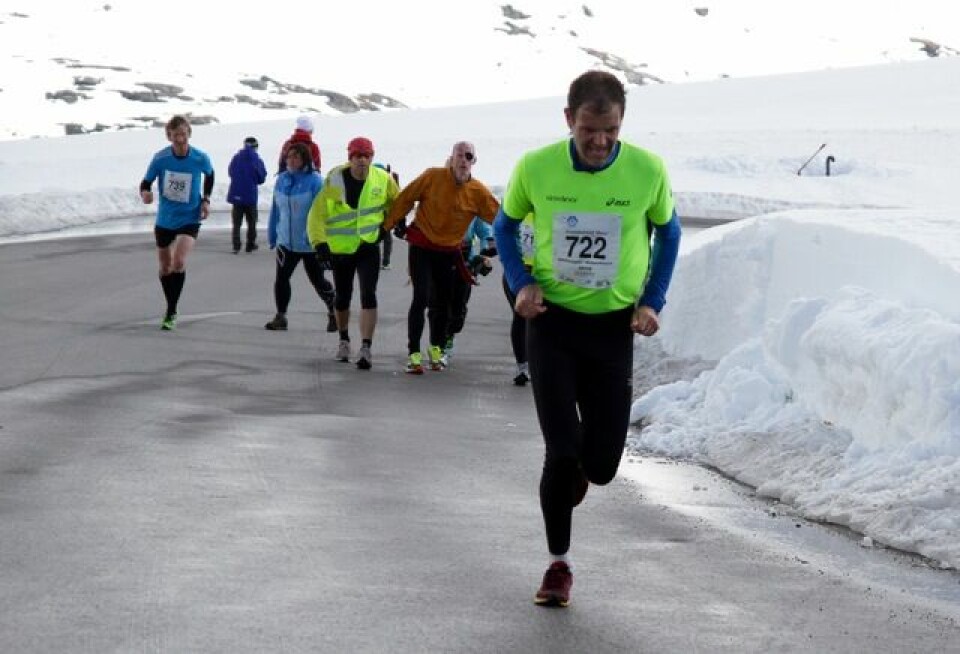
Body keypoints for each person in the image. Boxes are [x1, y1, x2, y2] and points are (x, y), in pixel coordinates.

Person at [494, 70, 682, 608]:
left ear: (622, 123)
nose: (599, 142)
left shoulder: (647, 170)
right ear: (568, 120)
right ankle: (559, 565)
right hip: (551, 323)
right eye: (588, 130)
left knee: (599, 465)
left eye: (610, 130)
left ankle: (581, 465)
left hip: (611, 328)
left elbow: (668, 232)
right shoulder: (536, 166)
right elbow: (506, 227)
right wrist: (520, 282)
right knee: (561, 450)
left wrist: (653, 299)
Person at [382, 141, 500, 374]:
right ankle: (413, 352)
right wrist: (388, 225)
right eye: (460, 155)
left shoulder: (477, 192)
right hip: (423, 246)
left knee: (444, 303)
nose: (463, 160)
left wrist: (513, 242)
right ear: (452, 158)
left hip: (449, 252)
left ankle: (435, 348)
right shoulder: (432, 177)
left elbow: (501, 218)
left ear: (473, 162)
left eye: (469, 156)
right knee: (422, 297)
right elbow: (406, 198)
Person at [307, 137, 399, 370]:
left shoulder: (383, 179)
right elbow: (317, 213)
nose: (362, 160)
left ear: (372, 157)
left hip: (368, 244)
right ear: (350, 157)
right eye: (357, 156)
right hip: (341, 248)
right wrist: (320, 244)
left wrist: (386, 227)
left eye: (366, 155)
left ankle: (366, 347)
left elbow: (397, 203)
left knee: (369, 294)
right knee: (343, 297)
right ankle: (344, 340)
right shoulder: (335, 178)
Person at [139, 114, 215, 331]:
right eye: (175, 136)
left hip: (190, 217)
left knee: (178, 262)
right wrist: (146, 193)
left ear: (188, 133)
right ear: (169, 137)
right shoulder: (161, 158)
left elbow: (210, 175)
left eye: (183, 134)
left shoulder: (200, 157)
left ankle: (171, 310)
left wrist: (206, 200)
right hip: (165, 218)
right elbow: (146, 182)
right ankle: (171, 307)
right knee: (164, 268)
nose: (180, 139)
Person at [264, 142, 337, 333]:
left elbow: (323, 212)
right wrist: (272, 233)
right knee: (281, 278)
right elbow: (276, 210)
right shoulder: (281, 180)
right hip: (286, 242)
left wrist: (321, 238)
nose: (292, 160)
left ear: (305, 159)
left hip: (309, 243)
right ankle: (281, 316)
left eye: (296, 156)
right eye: (289, 156)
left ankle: (333, 310)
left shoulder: (316, 182)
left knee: (318, 280)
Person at [434, 215, 497, 367]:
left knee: (459, 305)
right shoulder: (438, 196)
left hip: (465, 259)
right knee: (439, 304)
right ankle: (439, 346)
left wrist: (484, 254)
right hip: (440, 255)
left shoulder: (472, 197)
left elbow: (484, 232)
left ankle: (449, 339)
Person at [501, 212, 535, 386]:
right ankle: (522, 366)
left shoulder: (555, 209)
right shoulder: (516, 209)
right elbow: (501, 231)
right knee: (521, 316)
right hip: (518, 272)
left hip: (546, 273)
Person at [226, 136, 267, 253]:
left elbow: (231, 172)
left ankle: (236, 245)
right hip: (250, 196)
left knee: (236, 223)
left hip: (236, 194)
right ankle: (250, 244)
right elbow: (261, 177)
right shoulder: (257, 160)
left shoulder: (236, 158)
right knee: (252, 222)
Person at [373, 163, 401, 270]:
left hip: (378, 214)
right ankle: (385, 262)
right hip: (384, 213)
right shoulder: (388, 180)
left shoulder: (373, 180)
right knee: (385, 237)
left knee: (377, 238)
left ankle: (382, 262)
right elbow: (397, 197)